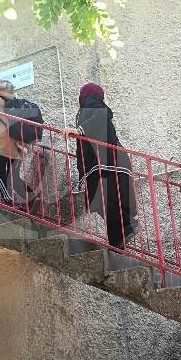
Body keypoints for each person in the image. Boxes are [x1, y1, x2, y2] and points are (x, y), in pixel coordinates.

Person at [63, 83, 137, 249]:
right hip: (113, 161)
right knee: (106, 201)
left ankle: (126, 229)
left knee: (102, 200)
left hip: (108, 162)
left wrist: (79, 130)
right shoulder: (92, 106)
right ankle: (118, 243)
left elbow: (101, 116)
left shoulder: (91, 102)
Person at [0, 80, 43, 206]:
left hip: (0, 142)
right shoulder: (11, 101)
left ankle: (7, 201)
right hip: (16, 142)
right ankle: (32, 198)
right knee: (13, 177)